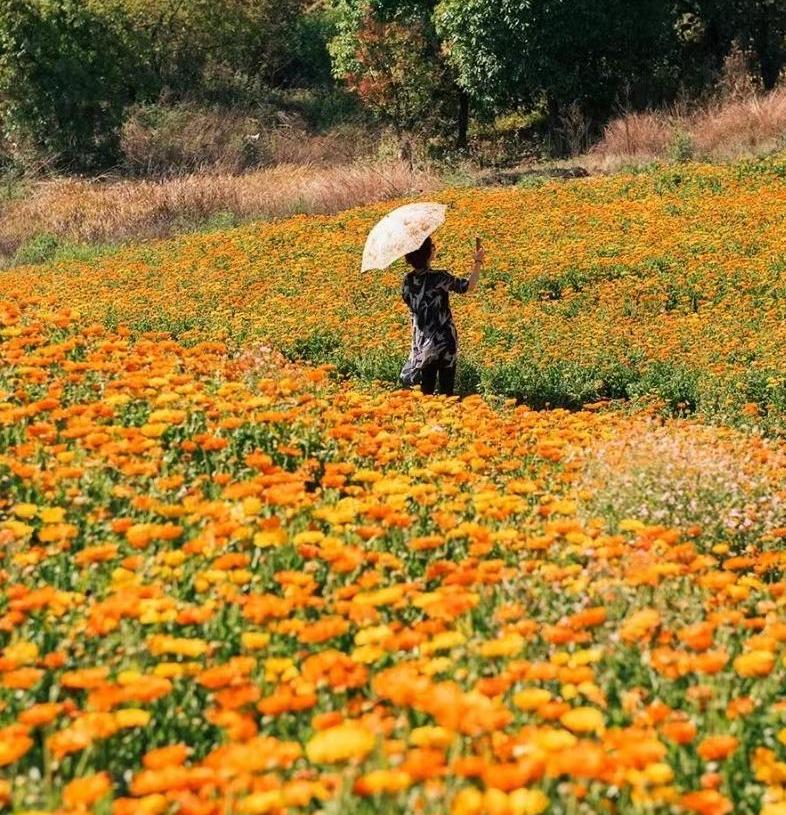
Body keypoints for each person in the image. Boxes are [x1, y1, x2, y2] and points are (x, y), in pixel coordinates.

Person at [400, 235, 484, 396]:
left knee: (426, 393)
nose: (434, 247)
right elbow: (468, 287)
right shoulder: (439, 277)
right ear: (425, 253)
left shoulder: (407, 281)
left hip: (422, 343)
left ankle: (428, 420)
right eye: (432, 246)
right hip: (444, 341)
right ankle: (447, 420)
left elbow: (410, 305)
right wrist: (478, 262)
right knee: (447, 393)